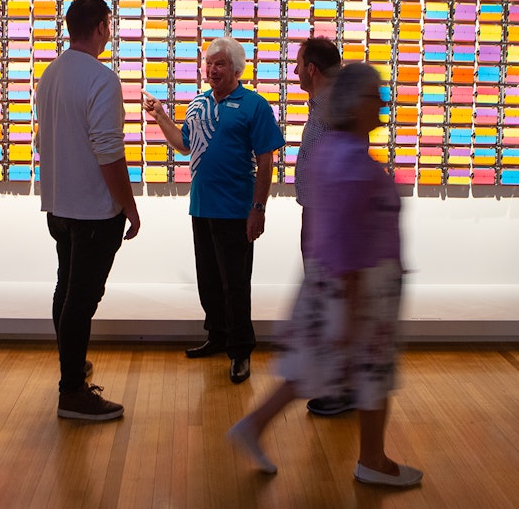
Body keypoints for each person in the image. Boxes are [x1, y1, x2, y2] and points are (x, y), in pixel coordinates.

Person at [226, 63, 422, 487]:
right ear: (354, 103)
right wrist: (350, 306)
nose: (382, 104)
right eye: (375, 96)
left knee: (308, 367)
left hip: (334, 281)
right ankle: (373, 459)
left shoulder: (332, 148)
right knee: (370, 373)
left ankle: (253, 426)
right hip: (358, 286)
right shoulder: (350, 160)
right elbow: (349, 238)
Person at [143, 36, 284, 384]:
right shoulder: (198, 105)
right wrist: (160, 115)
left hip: (236, 211)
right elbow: (183, 144)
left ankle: (240, 351)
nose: (212, 69)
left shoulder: (254, 105)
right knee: (208, 280)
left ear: (236, 68)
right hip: (202, 208)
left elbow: (266, 161)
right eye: (209, 63)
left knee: (235, 284)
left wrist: (259, 209)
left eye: (220, 63)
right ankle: (218, 336)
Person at [35, 0, 140, 421]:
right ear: (100, 27)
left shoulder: (51, 73)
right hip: (94, 211)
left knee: (66, 290)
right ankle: (72, 391)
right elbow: (109, 151)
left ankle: (72, 368)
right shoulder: (101, 78)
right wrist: (128, 205)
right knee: (82, 299)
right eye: (109, 25)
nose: (109, 32)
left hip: (59, 208)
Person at [294, 38, 353, 417]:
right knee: (327, 303)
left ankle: (341, 388)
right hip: (319, 215)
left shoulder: (336, 110)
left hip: (329, 221)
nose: (295, 71)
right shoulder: (324, 106)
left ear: (312, 69)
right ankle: (334, 382)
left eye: (298, 64)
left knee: (334, 305)